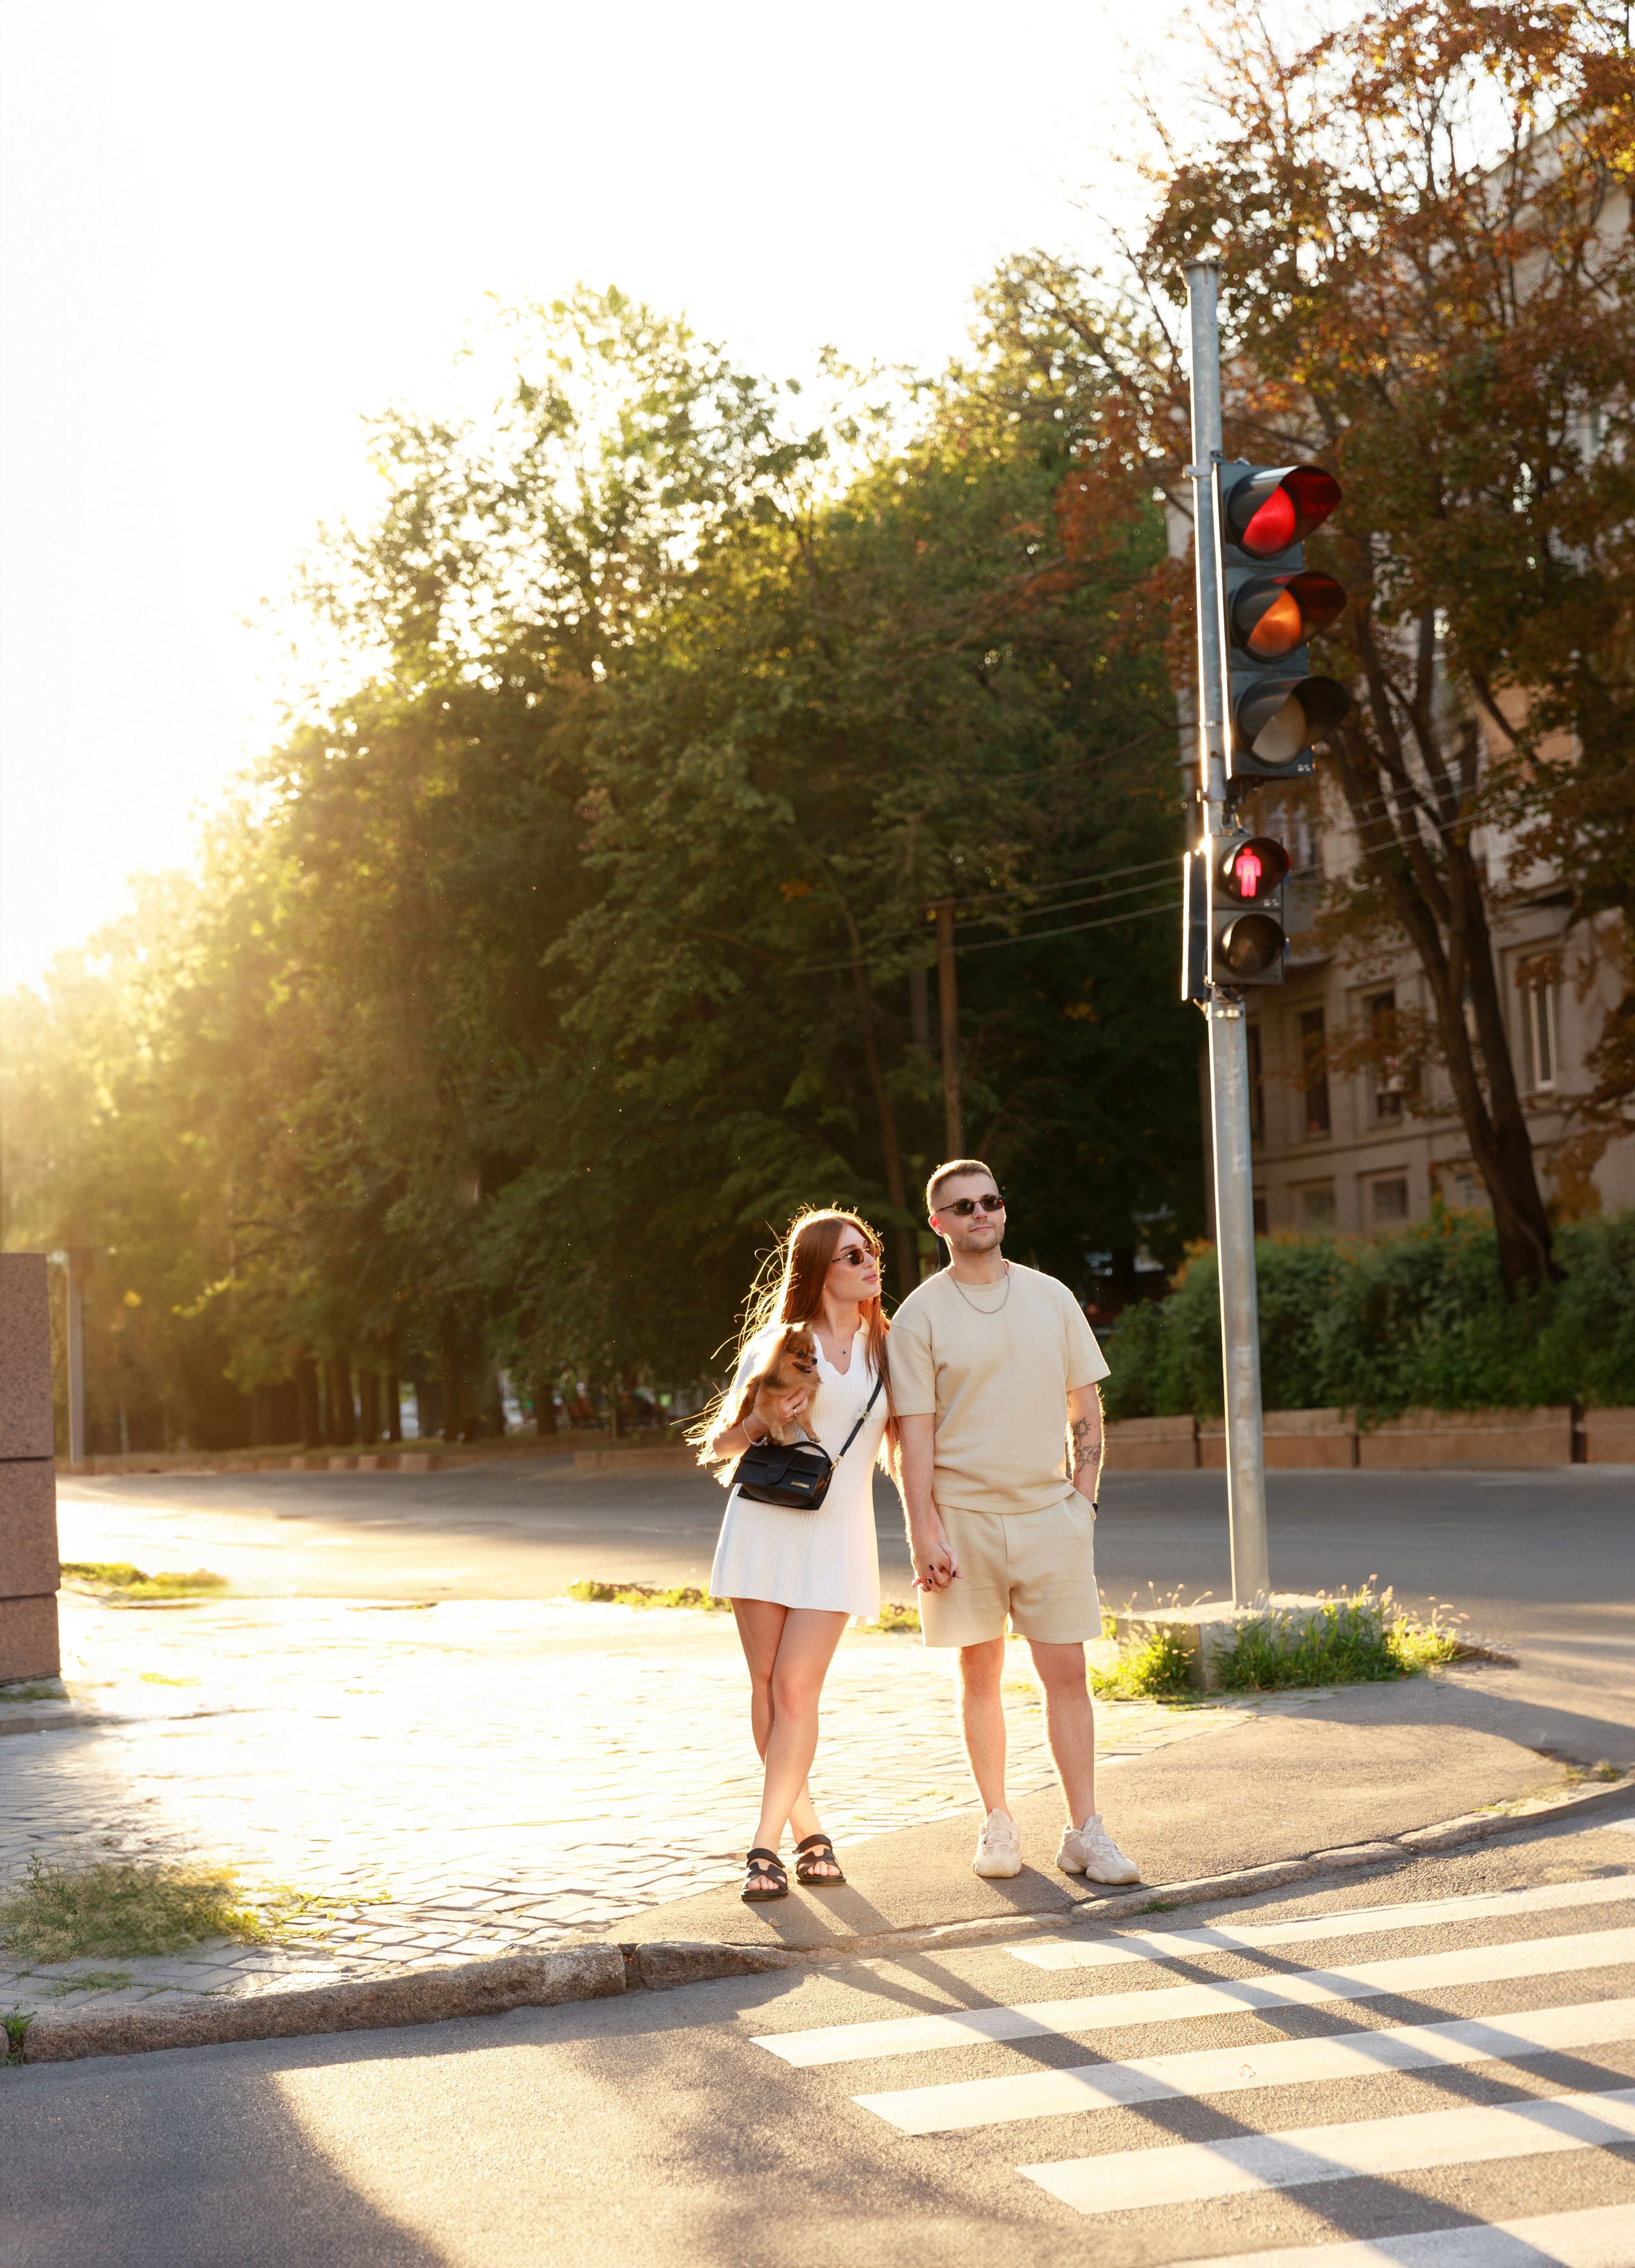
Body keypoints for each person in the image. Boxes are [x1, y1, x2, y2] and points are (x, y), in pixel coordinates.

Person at [890, 1159, 1139, 1885]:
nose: (979, 1213)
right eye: (962, 1206)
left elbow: (1084, 1408)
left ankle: (1084, 1832)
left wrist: (1082, 1501)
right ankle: (996, 1820)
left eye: (990, 1201)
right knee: (980, 1671)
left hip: (1048, 1516)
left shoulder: (1050, 1296)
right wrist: (921, 1530)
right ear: (938, 1222)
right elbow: (915, 1437)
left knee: (1068, 1671)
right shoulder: (920, 1315)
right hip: (961, 1519)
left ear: (1003, 1211)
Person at [699, 1210, 894, 1904]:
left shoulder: (891, 1350)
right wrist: (763, 1421)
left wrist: (934, 1528)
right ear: (819, 1270)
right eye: (852, 1254)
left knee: (795, 1688)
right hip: (762, 1527)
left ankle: (764, 1846)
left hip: (839, 1536)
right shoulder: (780, 1343)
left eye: (870, 1249)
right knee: (770, 1686)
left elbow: (911, 1448)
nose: (870, 1260)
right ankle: (806, 1837)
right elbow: (723, 1445)